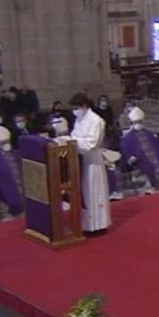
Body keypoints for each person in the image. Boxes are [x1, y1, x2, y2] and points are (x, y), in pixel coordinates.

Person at [69, 93, 111, 232]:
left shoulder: (95, 120)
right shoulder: (80, 119)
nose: (75, 111)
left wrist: (73, 142)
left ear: (85, 106)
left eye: (76, 107)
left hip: (93, 160)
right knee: (85, 193)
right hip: (80, 160)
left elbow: (91, 143)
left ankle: (99, 225)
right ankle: (86, 225)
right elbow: (74, 135)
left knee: (94, 192)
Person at [120, 106, 159, 194]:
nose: (138, 124)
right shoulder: (127, 137)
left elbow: (158, 144)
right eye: (136, 122)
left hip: (156, 156)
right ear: (131, 123)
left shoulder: (149, 133)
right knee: (151, 166)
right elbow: (124, 149)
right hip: (141, 159)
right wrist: (130, 157)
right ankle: (154, 186)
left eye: (139, 122)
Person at [0, 126, 25, 216]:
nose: (6, 144)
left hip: (25, 195)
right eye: (3, 142)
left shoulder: (18, 154)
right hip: (8, 199)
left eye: (7, 141)